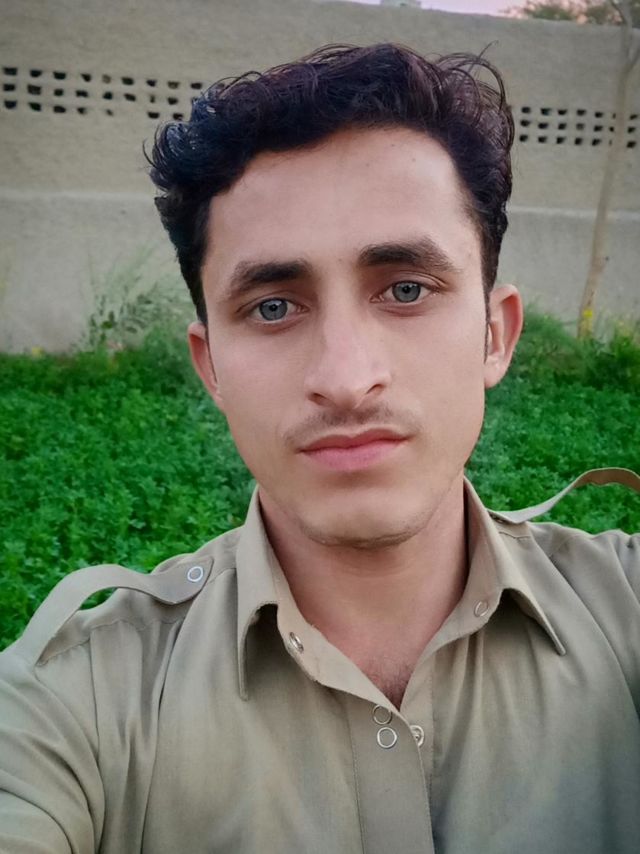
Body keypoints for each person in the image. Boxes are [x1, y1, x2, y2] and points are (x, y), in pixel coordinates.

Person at [0, 43, 638, 854]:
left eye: (406, 289)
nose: (345, 380)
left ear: (494, 333)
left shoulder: (626, 609)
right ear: (211, 365)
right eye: (273, 307)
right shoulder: (75, 702)